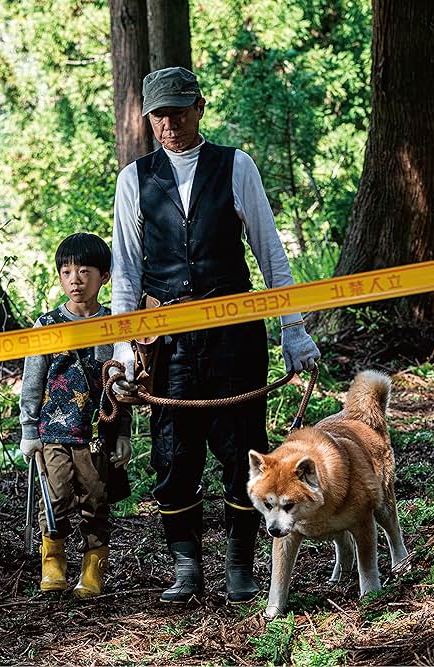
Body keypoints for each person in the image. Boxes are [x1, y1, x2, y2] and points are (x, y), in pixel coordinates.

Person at [109, 67, 322, 604]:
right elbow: (127, 271)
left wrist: (292, 329)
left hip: (235, 338)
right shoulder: (134, 179)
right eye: (159, 114)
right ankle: (186, 569)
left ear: (199, 107)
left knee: (241, 454)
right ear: (148, 119)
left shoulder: (236, 166)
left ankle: (240, 569)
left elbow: (269, 250)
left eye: (179, 110)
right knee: (173, 456)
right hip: (167, 344)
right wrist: (121, 350)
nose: (170, 122)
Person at [19, 233, 133, 598]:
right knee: (56, 496)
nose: (75, 280)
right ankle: (52, 560)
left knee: (96, 497)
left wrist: (124, 435)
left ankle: (93, 565)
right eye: (66, 271)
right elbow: (32, 380)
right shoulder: (48, 324)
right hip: (53, 431)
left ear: (104, 276)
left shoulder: (115, 324)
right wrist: (28, 429)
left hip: (97, 433)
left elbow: (122, 386)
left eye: (85, 271)